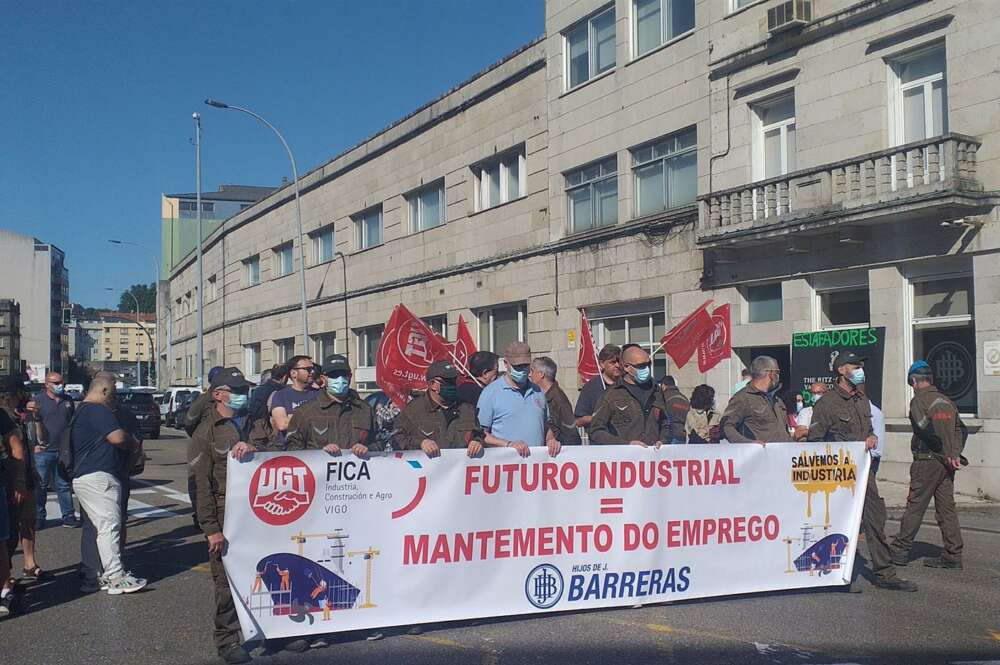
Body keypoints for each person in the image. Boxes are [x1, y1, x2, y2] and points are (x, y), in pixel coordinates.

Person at [807, 350, 916, 592]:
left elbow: (869, 429)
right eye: (854, 366)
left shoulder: (862, 400)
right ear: (841, 370)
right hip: (837, 478)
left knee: (875, 519)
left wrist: (871, 437)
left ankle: (884, 572)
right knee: (837, 524)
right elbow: (815, 442)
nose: (859, 370)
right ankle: (831, 574)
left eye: (860, 366)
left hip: (864, 473)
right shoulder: (827, 404)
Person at [189, 367, 253, 664]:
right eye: (236, 391)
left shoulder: (254, 422)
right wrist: (211, 528)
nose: (243, 396)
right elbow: (199, 484)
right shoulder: (206, 432)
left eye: (244, 390)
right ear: (218, 395)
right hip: (225, 511)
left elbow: (277, 452)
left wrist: (254, 447)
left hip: (258, 513)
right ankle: (227, 639)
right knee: (225, 581)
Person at [72, 374, 147, 595]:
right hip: (98, 477)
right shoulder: (97, 410)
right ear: (104, 391)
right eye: (113, 392)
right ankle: (115, 576)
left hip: (89, 476)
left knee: (101, 527)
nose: (115, 399)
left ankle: (103, 574)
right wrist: (132, 442)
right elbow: (117, 438)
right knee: (109, 527)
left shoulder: (81, 411)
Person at [890, 360, 965, 570]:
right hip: (948, 464)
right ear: (930, 379)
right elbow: (961, 430)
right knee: (946, 509)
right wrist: (954, 454)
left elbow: (925, 431)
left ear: (914, 381)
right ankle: (953, 553)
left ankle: (900, 549)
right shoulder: (946, 400)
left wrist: (943, 452)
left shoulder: (918, 401)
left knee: (915, 505)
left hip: (927, 462)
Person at [477, 341, 560, 458]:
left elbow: (546, 427)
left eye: (525, 365)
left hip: (536, 466)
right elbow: (480, 434)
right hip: (505, 467)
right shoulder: (490, 393)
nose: (522, 370)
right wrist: (509, 444)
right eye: (517, 366)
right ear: (506, 364)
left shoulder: (538, 391)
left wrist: (551, 440)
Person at [279, 355, 373, 456]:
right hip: (319, 471)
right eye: (334, 375)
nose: (340, 378)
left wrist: (369, 449)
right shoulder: (306, 412)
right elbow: (291, 447)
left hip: (357, 471)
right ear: (324, 378)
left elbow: (381, 442)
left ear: (350, 376)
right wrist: (320, 453)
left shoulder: (365, 410)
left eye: (343, 374)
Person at [0, 377, 43, 586]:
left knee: (28, 520)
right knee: (8, 531)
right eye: (20, 392)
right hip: (9, 478)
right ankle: (5, 576)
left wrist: (36, 418)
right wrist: (17, 480)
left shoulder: (24, 415)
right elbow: (15, 449)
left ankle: (29, 563)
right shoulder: (5, 415)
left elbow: (33, 443)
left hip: (25, 474)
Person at [395, 361, 485, 458]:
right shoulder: (413, 410)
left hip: (460, 469)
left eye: (455, 380)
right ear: (432, 384)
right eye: (448, 381)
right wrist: (421, 443)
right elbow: (396, 438)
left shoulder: (467, 409)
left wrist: (477, 442)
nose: (453, 384)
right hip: (428, 470)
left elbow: (478, 434)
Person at [589, 345, 661, 447]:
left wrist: (663, 440)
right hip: (625, 459)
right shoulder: (611, 395)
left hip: (653, 459)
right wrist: (625, 444)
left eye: (649, 364)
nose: (646, 369)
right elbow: (596, 431)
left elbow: (666, 423)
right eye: (641, 366)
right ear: (627, 367)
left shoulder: (656, 390)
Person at [32, 371, 78, 528]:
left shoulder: (68, 400)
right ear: (47, 384)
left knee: (63, 484)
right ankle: (39, 517)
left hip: (63, 449)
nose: (60, 386)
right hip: (43, 450)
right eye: (56, 383)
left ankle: (68, 515)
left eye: (61, 382)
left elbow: (72, 423)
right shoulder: (38, 401)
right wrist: (34, 445)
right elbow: (31, 424)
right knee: (41, 485)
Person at [720, 356, 790, 445]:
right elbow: (726, 426)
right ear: (771, 374)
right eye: (777, 372)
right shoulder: (743, 398)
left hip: (784, 454)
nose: (778, 376)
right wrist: (748, 443)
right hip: (760, 456)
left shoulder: (777, 400)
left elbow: (784, 431)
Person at [529, 356, 580, 446]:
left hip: (555, 455)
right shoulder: (536, 395)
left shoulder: (559, 401)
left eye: (532, 371)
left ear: (541, 374)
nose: (529, 375)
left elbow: (572, 435)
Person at [269, 355, 320, 444]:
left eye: (313, 369)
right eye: (307, 369)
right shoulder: (280, 395)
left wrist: (291, 417)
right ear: (293, 373)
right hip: (290, 448)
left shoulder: (320, 394)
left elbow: (328, 421)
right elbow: (282, 424)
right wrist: (313, 419)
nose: (312, 372)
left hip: (315, 448)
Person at [574, 344, 621, 429]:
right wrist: (598, 418)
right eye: (613, 362)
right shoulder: (591, 388)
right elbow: (578, 420)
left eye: (619, 362)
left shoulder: (627, 384)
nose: (617, 365)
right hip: (600, 439)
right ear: (602, 364)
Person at [183, 366, 225, 436]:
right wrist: (201, 439)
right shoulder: (203, 400)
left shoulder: (231, 398)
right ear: (211, 382)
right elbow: (189, 423)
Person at [654, 376, 690, 444]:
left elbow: (657, 415)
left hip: (668, 436)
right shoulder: (684, 398)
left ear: (663, 385)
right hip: (682, 435)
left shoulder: (662, 397)